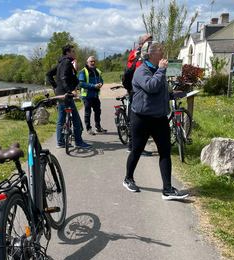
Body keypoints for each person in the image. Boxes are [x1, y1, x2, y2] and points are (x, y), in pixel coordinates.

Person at [123, 41, 189, 200]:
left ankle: (167, 189)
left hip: (160, 117)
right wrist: (161, 70)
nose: (163, 52)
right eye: (160, 50)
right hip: (142, 118)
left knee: (165, 152)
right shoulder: (141, 70)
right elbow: (150, 86)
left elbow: (157, 92)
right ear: (151, 54)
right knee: (137, 150)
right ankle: (128, 178)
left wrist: (171, 95)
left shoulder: (159, 70)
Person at [45, 44, 91, 149]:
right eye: (73, 51)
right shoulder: (66, 62)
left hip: (60, 94)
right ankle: (79, 142)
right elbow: (64, 77)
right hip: (66, 94)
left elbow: (48, 74)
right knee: (75, 118)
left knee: (61, 118)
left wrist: (57, 87)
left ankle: (60, 142)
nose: (75, 53)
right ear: (68, 53)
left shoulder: (61, 63)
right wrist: (70, 91)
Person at [126, 34, 153, 156]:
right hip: (138, 90)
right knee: (139, 120)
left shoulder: (135, 52)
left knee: (136, 119)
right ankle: (136, 148)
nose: (152, 43)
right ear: (143, 42)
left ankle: (132, 146)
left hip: (134, 89)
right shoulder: (139, 53)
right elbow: (141, 73)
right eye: (150, 41)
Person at [78, 56, 107, 135]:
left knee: (98, 111)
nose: (93, 63)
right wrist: (94, 86)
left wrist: (101, 83)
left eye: (94, 61)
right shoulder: (83, 72)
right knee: (88, 113)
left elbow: (101, 79)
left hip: (95, 95)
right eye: (91, 61)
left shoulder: (97, 70)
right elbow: (81, 84)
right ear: (87, 62)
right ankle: (88, 128)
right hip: (87, 96)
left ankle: (98, 127)